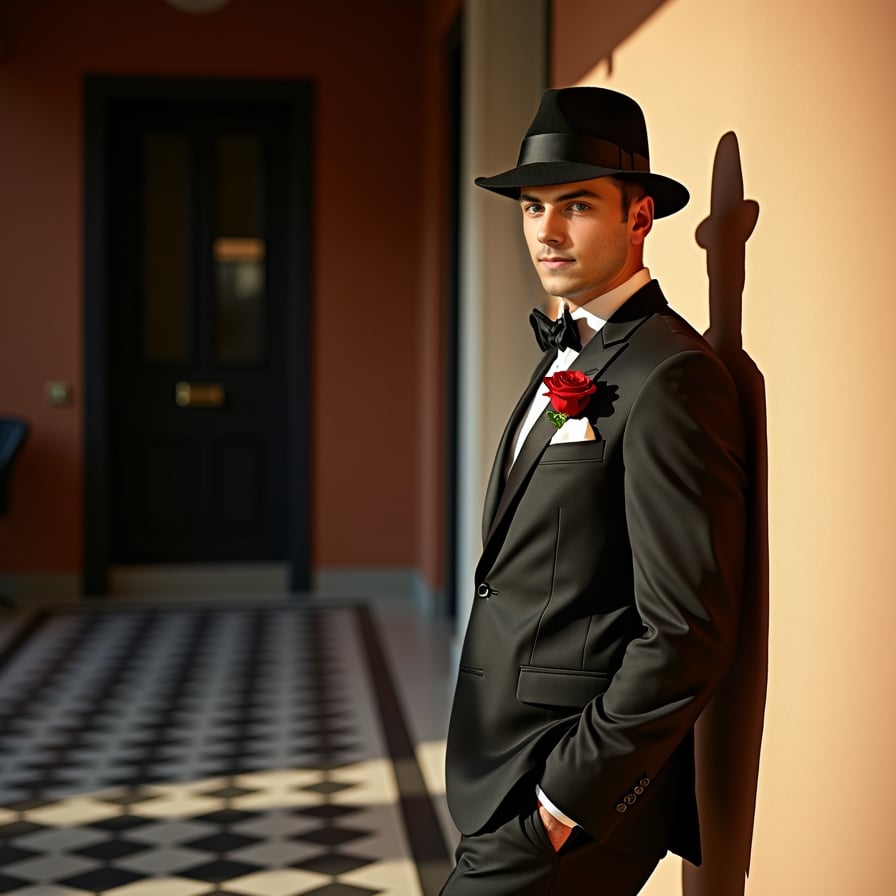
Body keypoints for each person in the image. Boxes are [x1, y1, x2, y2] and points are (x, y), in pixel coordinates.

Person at [441, 87, 748, 895]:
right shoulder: (573, 348)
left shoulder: (673, 375)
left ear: (639, 217)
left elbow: (686, 627)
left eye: (574, 205)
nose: (545, 230)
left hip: (573, 791)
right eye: (533, 206)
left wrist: (563, 800)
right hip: (504, 765)